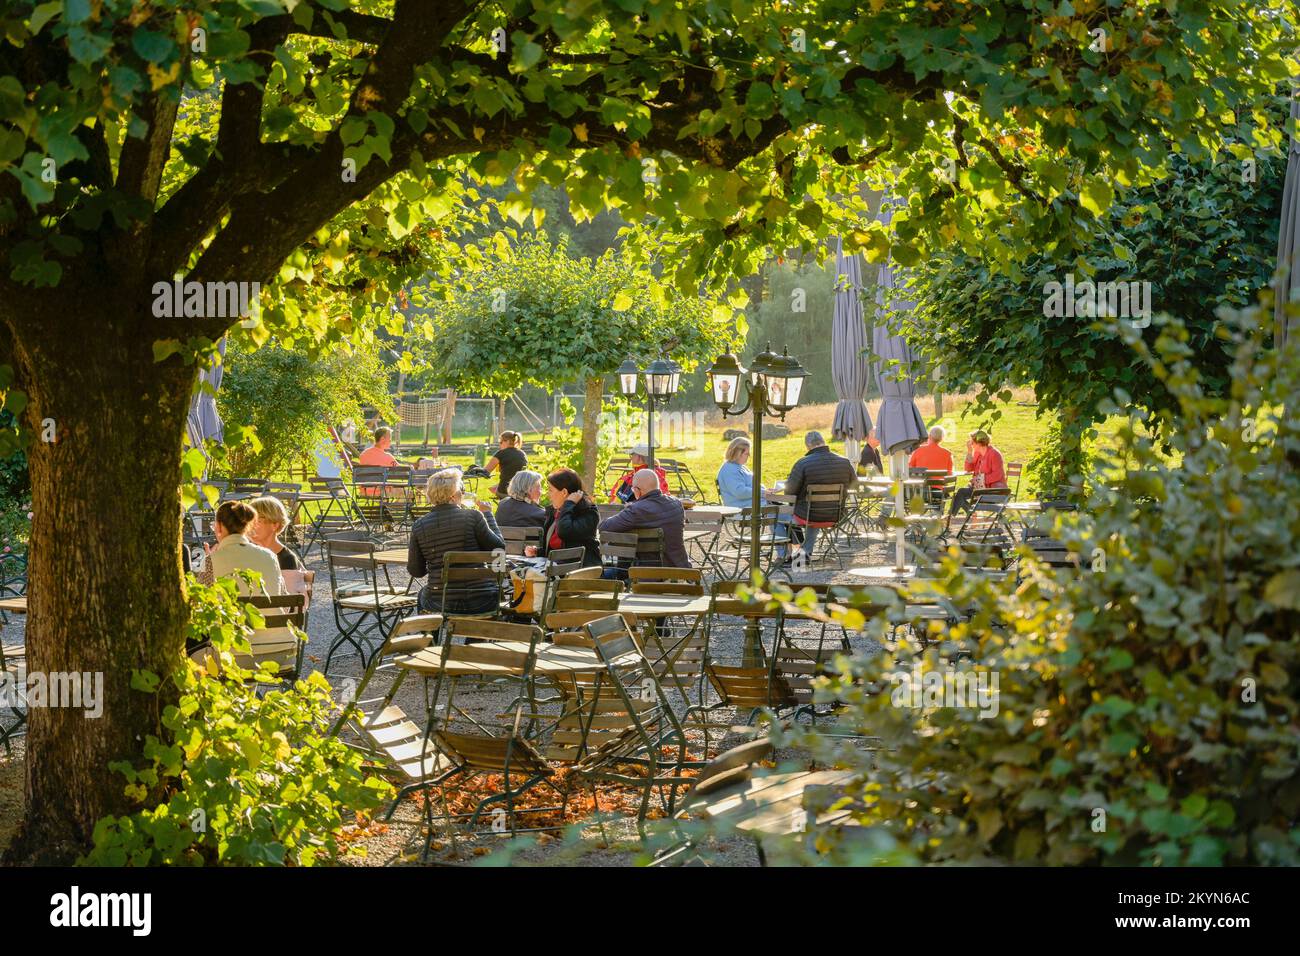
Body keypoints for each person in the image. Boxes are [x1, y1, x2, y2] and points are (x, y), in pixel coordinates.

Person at [407, 469, 505, 614]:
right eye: (462, 489)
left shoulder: (419, 525)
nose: (463, 493)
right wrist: (488, 514)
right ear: (453, 496)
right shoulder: (473, 517)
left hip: (440, 602)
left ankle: (431, 636)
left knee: (423, 594)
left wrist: (437, 563)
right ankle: (475, 636)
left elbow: (416, 571)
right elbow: (498, 549)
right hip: (482, 600)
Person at [784, 431, 856, 563]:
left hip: (808, 515)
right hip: (836, 515)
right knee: (814, 511)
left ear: (808, 446)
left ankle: (787, 556)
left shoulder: (803, 463)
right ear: (823, 441)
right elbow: (854, 486)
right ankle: (803, 554)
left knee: (782, 514)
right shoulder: (845, 462)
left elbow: (789, 492)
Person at [599, 469, 690, 568]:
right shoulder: (676, 503)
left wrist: (628, 510)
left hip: (647, 576)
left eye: (633, 490)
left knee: (609, 572)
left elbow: (604, 527)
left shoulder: (636, 510)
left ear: (638, 490)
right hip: (681, 570)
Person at [206, 500, 286, 596]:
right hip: (270, 611)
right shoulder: (270, 556)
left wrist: (210, 559)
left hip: (232, 611)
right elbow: (285, 598)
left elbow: (200, 600)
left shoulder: (211, 560)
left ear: (219, 527)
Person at [529, 468, 601, 567]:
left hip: (580, 572)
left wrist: (568, 504)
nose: (548, 495)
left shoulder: (588, 512)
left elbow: (564, 531)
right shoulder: (556, 511)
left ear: (564, 492)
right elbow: (556, 548)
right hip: (557, 570)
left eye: (550, 490)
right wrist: (537, 551)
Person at [949, 429, 1007, 516]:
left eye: (972, 442)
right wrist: (969, 452)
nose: (971, 444)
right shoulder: (978, 453)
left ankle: (971, 515)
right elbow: (968, 469)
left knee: (961, 493)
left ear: (979, 443)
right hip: (979, 489)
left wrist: (978, 480)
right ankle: (953, 518)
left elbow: (997, 475)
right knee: (960, 493)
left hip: (992, 490)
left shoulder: (994, 454)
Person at [247, 496, 304, 571]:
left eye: (258, 521)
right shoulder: (247, 553)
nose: (250, 526)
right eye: (249, 521)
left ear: (275, 525)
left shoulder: (286, 559)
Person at [717, 436, 764, 508]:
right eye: (747, 454)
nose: (749, 456)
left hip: (757, 506)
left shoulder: (740, 467)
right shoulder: (729, 469)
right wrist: (762, 492)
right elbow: (740, 492)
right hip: (745, 511)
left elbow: (753, 485)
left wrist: (767, 491)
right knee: (785, 512)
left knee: (785, 508)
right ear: (737, 453)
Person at [484, 431, 528, 498]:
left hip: (505, 491)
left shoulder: (501, 453)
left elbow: (486, 471)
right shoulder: (522, 453)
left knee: (494, 488)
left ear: (507, 441)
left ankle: (505, 504)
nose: (500, 445)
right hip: (522, 491)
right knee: (496, 486)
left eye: (501, 442)